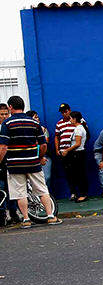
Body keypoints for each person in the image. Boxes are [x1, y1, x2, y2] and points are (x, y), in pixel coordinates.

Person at [0, 96, 60, 227]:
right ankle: (50, 216)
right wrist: (39, 157)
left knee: (20, 192)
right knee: (42, 189)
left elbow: (3, 147)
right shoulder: (34, 123)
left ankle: (26, 219)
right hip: (33, 163)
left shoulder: (7, 123)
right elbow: (43, 145)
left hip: (15, 164)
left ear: (10, 107)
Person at [60, 111, 89, 202]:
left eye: (71, 118)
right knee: (77, 174)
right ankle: (81, 193)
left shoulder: (78, 129)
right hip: (77, 154)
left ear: (75, 119)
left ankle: (83, 194)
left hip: (78, 154)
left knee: (80, 174)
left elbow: (77, 144)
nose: (70, 120)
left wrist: (67, 150)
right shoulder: (78, 128)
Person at [25, 111, 52, 186]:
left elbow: (45, 142)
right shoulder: (25, 131)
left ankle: (48, 196)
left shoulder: (43, 129)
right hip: (31, 157)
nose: (38, 119)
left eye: (37, 117)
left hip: (44, 155)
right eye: (35, 117)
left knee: (47, 177)